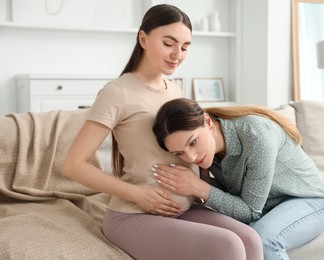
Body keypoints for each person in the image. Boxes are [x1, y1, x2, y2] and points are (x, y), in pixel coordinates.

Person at [61, 4, 263, 260]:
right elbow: (73, 165)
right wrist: (138, 194)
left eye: (185, 47)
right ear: (143, 38)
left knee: (251, 240)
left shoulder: (175, 89)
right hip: (133, 216)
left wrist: (202, 183)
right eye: (169, 43)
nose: (177, 54)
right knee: (229, 246)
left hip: (184, 209)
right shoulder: (117, 92)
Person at [152, 97, 324, 260]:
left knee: (263, 239)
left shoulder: (256, 135)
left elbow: (250, 211)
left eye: (193, 142)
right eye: (179, 153)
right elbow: (233, 194)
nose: (190, 157)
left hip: (308, 199)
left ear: (207, 121)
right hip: (268, 206)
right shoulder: (208, 153)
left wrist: (200, 188)